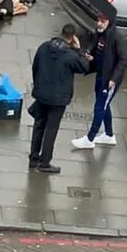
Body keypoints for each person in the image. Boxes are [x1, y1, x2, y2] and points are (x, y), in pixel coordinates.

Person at [29, 24, 90, 174]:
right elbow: (84, 67)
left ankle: (33, 158)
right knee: (51, 130)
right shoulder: (70, 55)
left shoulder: (44, 47)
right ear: (73, 37)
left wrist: (38, 86)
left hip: (42, 94)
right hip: (58, 99)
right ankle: (44, 163)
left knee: (38, 126)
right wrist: (78, 49)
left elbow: (35, 67)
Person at [71, 13, 127, 150]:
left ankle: (90, 138)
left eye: (103, 21)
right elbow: (95, 47)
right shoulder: (100, 33)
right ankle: (109, 135)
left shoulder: (118, 37)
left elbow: (123, 60)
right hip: (101, 75)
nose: (99, 24)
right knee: (104, 105)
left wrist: (114, 79)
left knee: (100, 106)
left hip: (110, 79)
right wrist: (91, 56)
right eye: (98, 21)